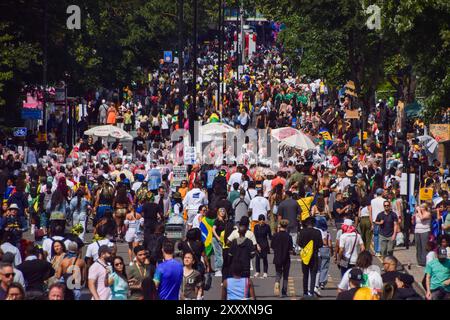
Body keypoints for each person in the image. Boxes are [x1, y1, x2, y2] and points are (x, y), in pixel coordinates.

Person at [297, 217, 323, 297]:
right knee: (313, 274)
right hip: (314, 254)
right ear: (313, 224)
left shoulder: (302, 232)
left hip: (305, 255)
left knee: (305, 274)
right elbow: (320, 244)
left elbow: (299, 243)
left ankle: (305, 292)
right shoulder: (317, 232)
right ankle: (311, 291)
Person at [271, 219, 293, 297]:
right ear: (286, 226)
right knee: (286, 276)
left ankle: (277, 282)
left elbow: (272, 246)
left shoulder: (275, 235)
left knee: (278, 273)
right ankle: (284, 292)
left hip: (277, 257)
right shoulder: (289, 236)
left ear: (280, 225)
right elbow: (291, 249)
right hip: (286, 258)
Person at [254, 214, 272, 278]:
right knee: (257, 259)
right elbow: (255, 236)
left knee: (265, 258)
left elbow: (270, 236)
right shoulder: (256, 227)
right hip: (258, 243)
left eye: (263, 219)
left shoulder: (267, 227)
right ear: (258, 220)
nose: (262, 221)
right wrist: (257, 245)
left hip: (264, 244)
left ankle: (265, 272)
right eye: (260, 220)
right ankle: (257, 271)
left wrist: (271, 244)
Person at [370, 188, 387, 256]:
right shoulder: (384, 200)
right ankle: (381, 250)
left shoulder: (372, 201)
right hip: (383, 220)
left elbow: (371, 210)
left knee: (376, 236)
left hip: (375, 220)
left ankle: (377, 250)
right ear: (382, 193)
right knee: (382, 235)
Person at [212, 208, 226, 277]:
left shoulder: (224, 221)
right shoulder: (216, 220)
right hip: (216, 239)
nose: (222, 212)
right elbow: (213, 229)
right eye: (221, 211)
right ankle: (218, 269)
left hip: (223, 239)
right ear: (218, 212)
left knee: (222, 253)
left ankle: (220, 268)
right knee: (218, 254)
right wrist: (218, 237)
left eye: (224, 211)